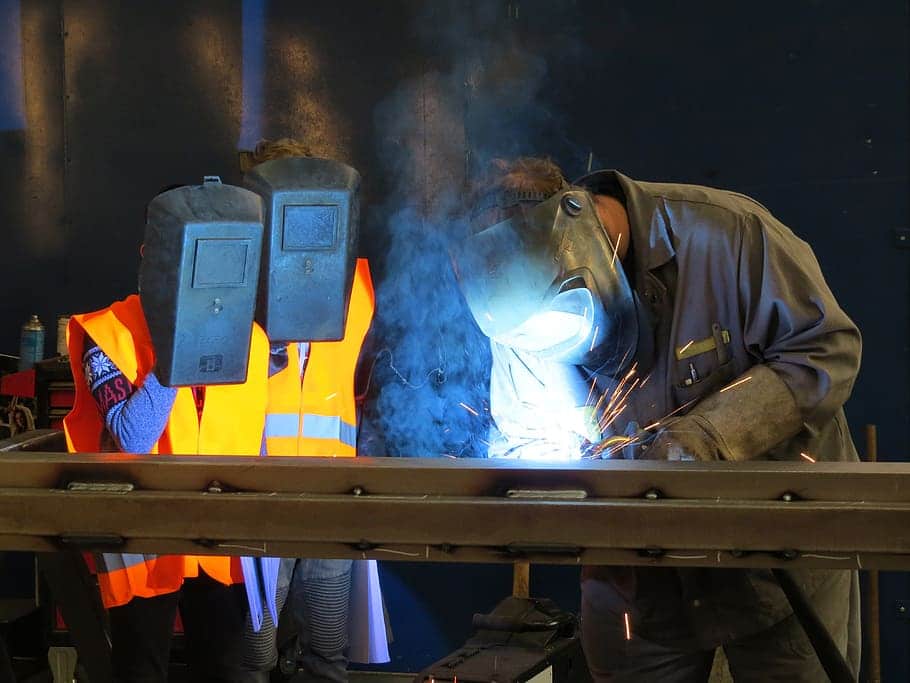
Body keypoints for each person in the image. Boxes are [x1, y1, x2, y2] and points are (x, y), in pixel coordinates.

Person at [453, 157, 862, 681]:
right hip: (634, 576)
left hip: (775, 556)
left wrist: (709, 434)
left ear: (582, 223)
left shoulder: (727, 233)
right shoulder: (513, 305)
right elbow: (523, 435)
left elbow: (825, 348)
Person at [64, 179, 269, 682]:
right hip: (142, 537)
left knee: (222, 670)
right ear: (150, 258)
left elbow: (255, 441)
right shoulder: (107, 332)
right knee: (141, 671)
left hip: (219, 535)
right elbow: (133, 437)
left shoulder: (253, 341)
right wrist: (180, 350)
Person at [238, 139, 388, 683]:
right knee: (253, 659)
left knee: (327, 656)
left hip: (331, 500)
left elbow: (370, 390)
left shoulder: (358, 286)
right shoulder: (233, 283)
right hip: (257, 501)